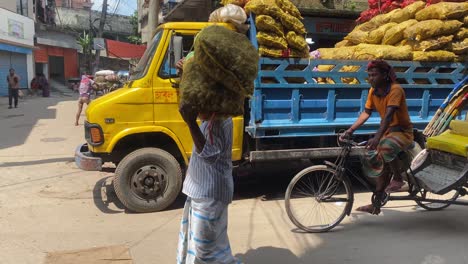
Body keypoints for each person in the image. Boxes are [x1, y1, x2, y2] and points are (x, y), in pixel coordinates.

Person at [340, 59, 413, 215]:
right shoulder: (373, 92)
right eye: (369, 75)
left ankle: (399, 178)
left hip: (403, 133)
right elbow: (366, 113)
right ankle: (376, 205)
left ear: (385, 75)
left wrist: (377, 138)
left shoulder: (396, 90)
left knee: (384, 147)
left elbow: (388, 116)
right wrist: (350, 130)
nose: (371, 78)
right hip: (388, 133)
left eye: (374, 75)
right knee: (378, 164)